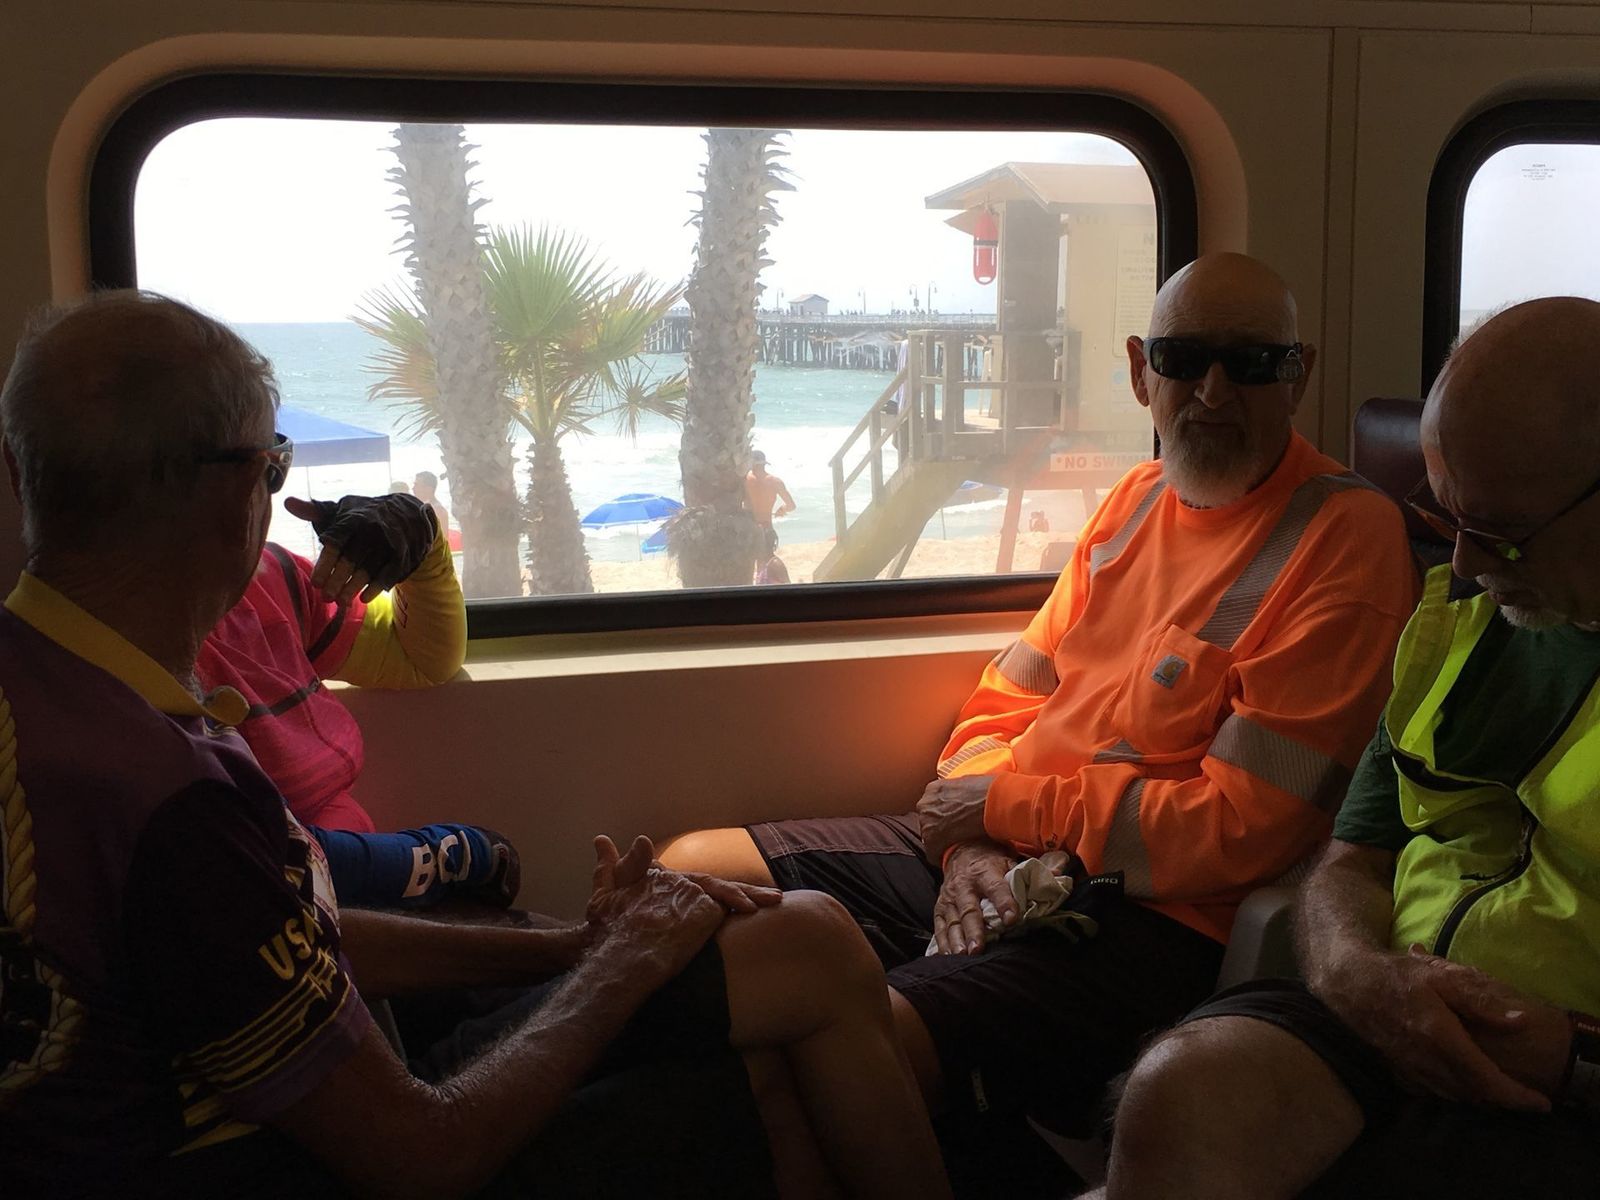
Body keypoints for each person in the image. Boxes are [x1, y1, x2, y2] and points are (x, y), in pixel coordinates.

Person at [0, 291, 952, 1200]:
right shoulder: (176, 800)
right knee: (789, 1024)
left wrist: (577, 946)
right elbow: (422, 1157)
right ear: (233, 494)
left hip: (318, 1078)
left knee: (800, 955)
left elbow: (286, 944)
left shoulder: (60, 692)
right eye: (273, 466)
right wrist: (620, 964)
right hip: (315, 1159)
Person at [662, 252, 1420, 1180]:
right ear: (1142, 371)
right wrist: (970, 843)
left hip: (1140, 914)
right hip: (997, 846)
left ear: (1297, 375)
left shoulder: (1345, 540)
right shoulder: (1135, 501)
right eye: (1185, 360)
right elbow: (1005, 699)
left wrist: (999, 811)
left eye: (1253, 363)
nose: (1214, 390)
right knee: (691, 875)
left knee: (830, 1054)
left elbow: (1240, 829)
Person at [1087, 297, 1600, 1200]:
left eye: (1502, 534)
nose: (1465, 567)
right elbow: (1351, 860)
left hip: (1567, 1070)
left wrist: (1573, 1063)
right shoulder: (1459, 622)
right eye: (1446, 520)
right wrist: (1354, 970)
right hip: (1392, 1013)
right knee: (1180, 1093)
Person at [196, 480, 516, 910]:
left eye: (273, 464)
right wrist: (439, 857)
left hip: (340, 878)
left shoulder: (267, 578)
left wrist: (421, 544)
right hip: (280, 906)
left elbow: (420, 660)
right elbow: (253, 863)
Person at [745, 450, 797, 539]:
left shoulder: (744, 480)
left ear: (750, 463)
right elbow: (791, 506)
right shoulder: (775, 482)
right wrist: (781, 510)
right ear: (764, 464)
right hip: (766, 528)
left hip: (748, 530)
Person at [412, 468, 450, 533]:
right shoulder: (424, 506)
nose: (413, 488)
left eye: (417, 485)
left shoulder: (438, 511)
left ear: (428, 489)